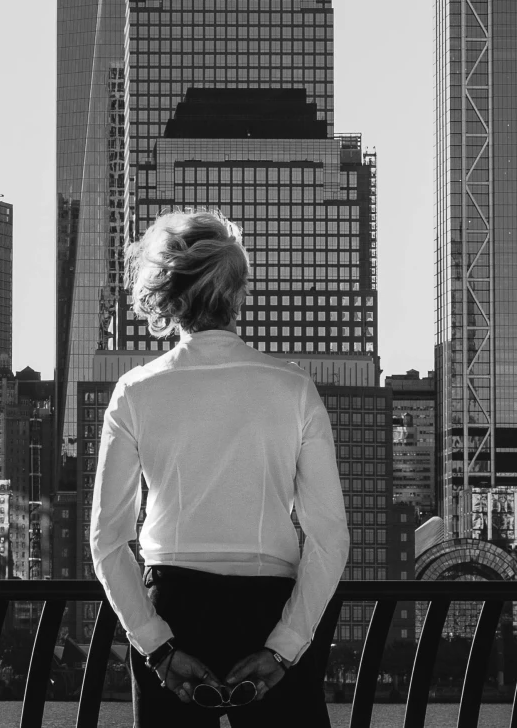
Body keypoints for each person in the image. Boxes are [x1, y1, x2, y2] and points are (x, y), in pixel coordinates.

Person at [90, 209, 349, 726]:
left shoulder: (136, 392)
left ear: (171, 297)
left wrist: (157, 647)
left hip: (173, 606)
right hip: (270, 605)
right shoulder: (293, 388)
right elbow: (330, 537)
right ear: (239, 292)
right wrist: (284, 647)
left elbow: (106, 539)